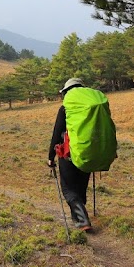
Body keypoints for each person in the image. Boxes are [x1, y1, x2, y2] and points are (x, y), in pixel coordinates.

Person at [48, 78, 92, 230]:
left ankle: (82, 221)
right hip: (87, 152)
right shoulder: (90, 107)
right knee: (80, 186)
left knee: (68, 188)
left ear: (67, 92)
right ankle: (79, 216)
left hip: (68, 154)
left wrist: (50, 158)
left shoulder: (66, 108)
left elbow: (56, 134)